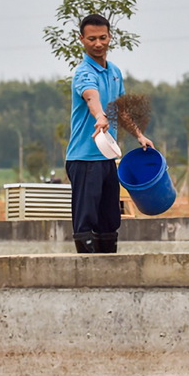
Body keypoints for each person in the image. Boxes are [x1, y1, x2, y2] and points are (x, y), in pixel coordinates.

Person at [65, 13, 153, 254]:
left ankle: (109, 267)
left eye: (102, 38)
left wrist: (139, 135)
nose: (98, 43)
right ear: (82, 39)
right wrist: (99, 116)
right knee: (86, 219)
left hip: (107, 157)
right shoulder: (84, 73)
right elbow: (91, 97)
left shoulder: (114, 71)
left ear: (110, 37)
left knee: (110, 218)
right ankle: (87, 269)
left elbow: (121, 109)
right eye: (91, 38)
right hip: (84, 158)